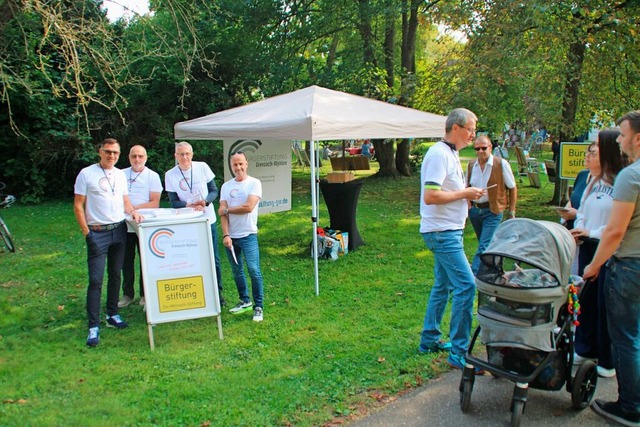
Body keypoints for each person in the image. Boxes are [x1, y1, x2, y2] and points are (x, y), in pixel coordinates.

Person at [418, 108, 487, 374]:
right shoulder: (438, 154)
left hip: (448, 230)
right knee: (466, 286)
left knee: (442, 285)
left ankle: (429, 339)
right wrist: (465, 193)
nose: (473, 135)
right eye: (471, 129)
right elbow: (431, 196)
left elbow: (445, 191)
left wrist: (465, 195)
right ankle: (460, 352)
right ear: (456, 128)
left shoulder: (450, 153)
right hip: (442, 233)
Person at [584, 111, 640, 426]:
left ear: (638, 138)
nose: (618, 140)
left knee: (625, 337)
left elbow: (615, 231)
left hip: (629, 265)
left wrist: (593, 266)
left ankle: (630, 405)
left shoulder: (630, 176)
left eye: (622, 134)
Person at [73, 138, 142, 347]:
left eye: (115, 153)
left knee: (115, 275)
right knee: (95, 280)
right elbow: (78, 206)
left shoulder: (120, 175)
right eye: (108, 152)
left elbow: (125, 201)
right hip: (97, 232)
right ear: (100, 152)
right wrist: (87, 233)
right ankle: (93, 325)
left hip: (119, 230)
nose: (112, 156)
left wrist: (133, 211)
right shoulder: (86, 174)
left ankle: (112, 314)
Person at [165, 142, 224, 306]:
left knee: (213, 257)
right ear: (175, 156)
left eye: (187, 154)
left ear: (192, 154)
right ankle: (196, 292)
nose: (184, 157)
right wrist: (189, 206)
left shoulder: (202, 167)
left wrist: (205, 202)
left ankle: (218, 293)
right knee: (190, 258)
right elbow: (173, 201)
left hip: (207, 219)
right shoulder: (170, 175)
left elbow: (214, 191)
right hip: (186, 222)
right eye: (181, 154)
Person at [218, 152, 265, 322]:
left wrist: (228, 209)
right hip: (231, 237)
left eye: (241, 164)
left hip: (248, 235)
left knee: (254, 270)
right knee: (237, 271)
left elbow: (248, 207)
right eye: (234, 165)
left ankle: (258, 306)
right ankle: (244, 300)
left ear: (246, 164)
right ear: (231, 166)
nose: (238, 168)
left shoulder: (254, 183)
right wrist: (226, 234)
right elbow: (221, 213)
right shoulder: (226, 186)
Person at [118, 145, 162, 308]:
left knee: (145, 260)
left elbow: (154, 202)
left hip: (143, 224)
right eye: (134, 156)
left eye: (140, 156)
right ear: (129, 157)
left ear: (146, 157)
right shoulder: (120, 174)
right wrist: (128, 209)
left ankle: (145, 295)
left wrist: (132, 208)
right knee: (126, 260)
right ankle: (127, 294)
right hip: (123, 224)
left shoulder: (153, 176)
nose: (137, 159)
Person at [466, 134, 518, 274]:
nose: (480, 152)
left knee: (484, 244)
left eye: (484, 148)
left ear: (490, 147)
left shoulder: (500, 164)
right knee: (487, 244)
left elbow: (512, 187)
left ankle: (475, 274)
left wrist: (511, 211)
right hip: (476, 211)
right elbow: (467, 186)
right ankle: (495, 270)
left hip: (493, 210)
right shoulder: (472, 165)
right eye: (477, 149)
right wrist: (469, 205)